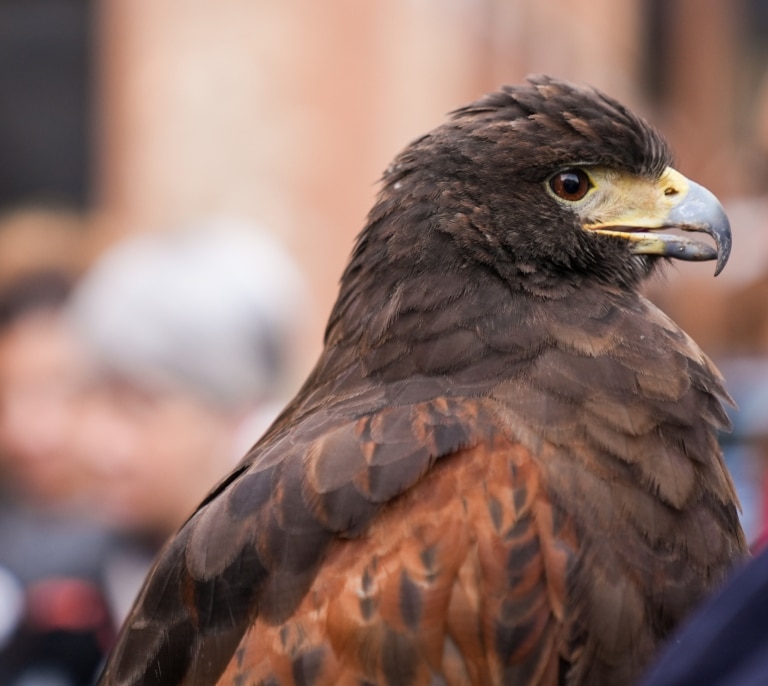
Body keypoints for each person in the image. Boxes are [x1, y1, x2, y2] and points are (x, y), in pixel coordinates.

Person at [64, 219, 309, 625]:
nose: (97, 441)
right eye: (92, 398)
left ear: (238, 411)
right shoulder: (62, 598)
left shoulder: (295, 595)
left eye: (139, 406)